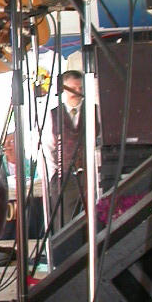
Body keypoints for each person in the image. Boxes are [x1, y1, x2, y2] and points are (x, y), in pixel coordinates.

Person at [41, 68, 86, 225]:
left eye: (80, 88)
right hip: (64, 179)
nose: (77, 92)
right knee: (65, 223)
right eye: (73, 88)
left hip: (89, 177)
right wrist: (55, 175)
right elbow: (48, 148)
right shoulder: (53, 115)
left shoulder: (94, 111)